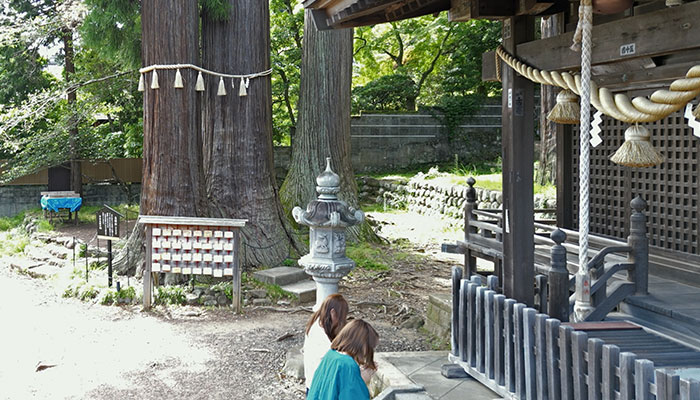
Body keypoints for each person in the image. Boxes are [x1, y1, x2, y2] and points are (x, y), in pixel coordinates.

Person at [307, 319, 379, 400]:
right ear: (362, 345)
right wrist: (362, 380)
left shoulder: (331, 354)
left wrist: (356, 376)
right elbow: (353, 396)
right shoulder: (348, 364)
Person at [303, 294, 350, 394]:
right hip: (319, 388)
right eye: (342, 317)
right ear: (333, 313)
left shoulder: (318, 320)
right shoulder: (320, 337)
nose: (343, 320)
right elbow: (336, 363)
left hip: (313, 383)